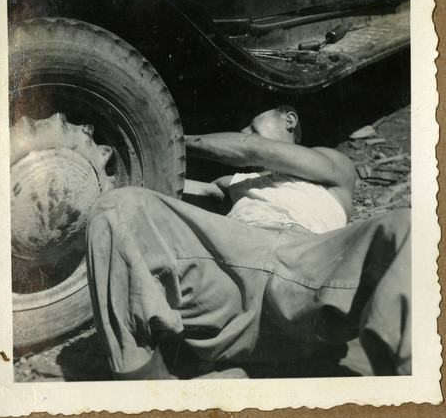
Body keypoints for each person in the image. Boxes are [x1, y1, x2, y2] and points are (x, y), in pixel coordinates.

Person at [86, 106, 411, 379]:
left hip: (308, 273)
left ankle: (410, 395)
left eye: (252, 123)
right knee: (118, 207)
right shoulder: (232, 182)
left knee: (405, 226)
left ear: (289, 119)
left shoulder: (332, 164)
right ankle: (146, 393)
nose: (243, 130)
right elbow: (167, 202)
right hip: (230, 276)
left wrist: (161, 136)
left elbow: (249, 150)